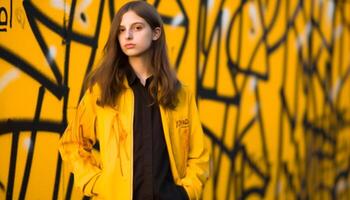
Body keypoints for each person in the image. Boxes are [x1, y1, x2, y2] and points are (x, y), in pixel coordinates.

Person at [58, 1, 210, 199]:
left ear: (156, 34)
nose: (127, 35)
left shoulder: (180, 94)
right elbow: (72, 144)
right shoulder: (102, 90)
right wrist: (97, 183)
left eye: (137, 28)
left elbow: (198, 156)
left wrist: (186, 192)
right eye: (121, 30)